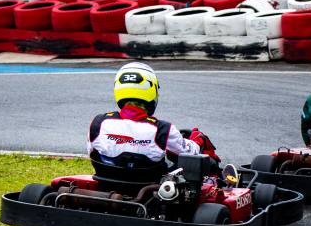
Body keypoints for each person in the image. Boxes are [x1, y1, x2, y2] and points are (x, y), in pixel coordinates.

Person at [88, 61, 218, 170]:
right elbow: (191, 153)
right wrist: (198, 139)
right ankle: (218, 180)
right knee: (202, 158)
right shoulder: (163, 130)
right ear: (151, 90)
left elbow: (93, 153)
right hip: (150, 193)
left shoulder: (98, 123)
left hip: (106, 185)